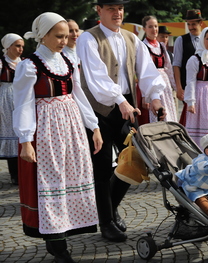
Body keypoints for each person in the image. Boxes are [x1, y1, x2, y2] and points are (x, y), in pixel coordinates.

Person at [13, 12, 103, 263]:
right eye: (59, 36)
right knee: (51, 180)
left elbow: (80, 95)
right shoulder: (29, 65)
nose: (64, 40)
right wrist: (26, 140)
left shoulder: (68, 61)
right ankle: (56, 243)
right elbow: (22, 105)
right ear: (43, 35)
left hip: (72, 125)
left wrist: (93, 127)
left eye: (66, 36)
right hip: (46, 128)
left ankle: (64, 231)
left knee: (73, 176)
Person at [76, 0, 167, 242]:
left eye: (120, 9)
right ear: (99, 11)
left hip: (127, 104)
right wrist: (119, 100)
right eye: (111, 9)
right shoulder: (88, 38)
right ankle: (106, 222)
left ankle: (110, 207)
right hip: (98, 108)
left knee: (135, 161)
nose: (117, 13)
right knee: (103, 166)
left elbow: (146, 70)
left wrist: (155, 97)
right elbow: (96, 77)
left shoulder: (131, 38)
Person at [184, 27, 208, 148]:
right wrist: (191, 102)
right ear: (202, 40)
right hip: (201, 97)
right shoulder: (194, 60)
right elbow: (190, 82)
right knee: (202, 125)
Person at [142, 15, 178, 123]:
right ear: (144, 29)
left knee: (170, 113)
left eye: (156, 26)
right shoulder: (143, 46)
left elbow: (168, 69)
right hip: (151, 83)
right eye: (150, 27)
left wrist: (176, 88)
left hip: (165, 84)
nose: (154, 29)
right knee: (157, 116)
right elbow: (142, 71)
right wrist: (145, 95)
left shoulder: (161, 46)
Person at [173, 9, 204, 125]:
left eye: (194, 24)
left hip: (203, 86)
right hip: (188, 86)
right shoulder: (181, 40)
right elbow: (176, 65)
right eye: (189, 24)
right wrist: (179, 87)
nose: (191, 27)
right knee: (189, 117)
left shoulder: (206, 39)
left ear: (200, 23)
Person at [0, 33, 24, 185]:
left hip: (21, 100)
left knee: (21, 135)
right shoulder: (2, 63)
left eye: (22, 46)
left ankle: (21, 172)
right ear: (8, 47)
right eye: (17, 46)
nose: (20, 49)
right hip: (6, 101)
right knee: (11, 134)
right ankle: (14, 174)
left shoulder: (23, 62)